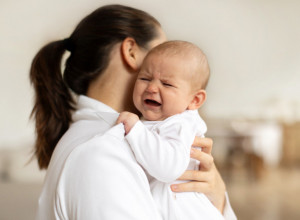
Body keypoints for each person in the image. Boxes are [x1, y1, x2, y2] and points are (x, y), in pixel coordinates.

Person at [29, 4, 236, 220]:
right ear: (131, 52)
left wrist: (217, 195)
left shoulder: (110, 139)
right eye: (159, 50)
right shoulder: (103, 152)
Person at [116, 40, 230, 219]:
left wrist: (135, 130)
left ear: (195, 100)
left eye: (167, 84)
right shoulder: (165, 121)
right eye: (144, 78)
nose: (152, 88)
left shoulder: (180, 124)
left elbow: (168, 168)